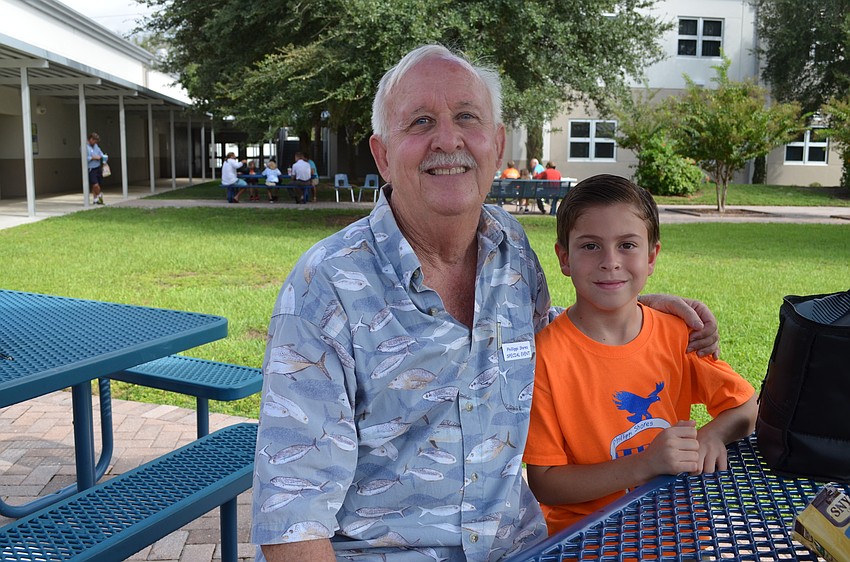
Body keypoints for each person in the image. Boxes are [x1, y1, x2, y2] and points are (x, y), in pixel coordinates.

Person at [251, 45, 719, 562]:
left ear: (496, 145)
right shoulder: (328, 285)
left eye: (466, 117)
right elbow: (292, 520)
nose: (447, 139)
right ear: (383, 154)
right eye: (421, 121)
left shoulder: (510, 247)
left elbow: (543, 338)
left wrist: (631, 310)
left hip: (524, 548)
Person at [523, 174, 758, 536]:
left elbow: (746, 407)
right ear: (564, 257)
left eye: (627, 245)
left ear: (652, 257)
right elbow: (546, 483)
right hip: (587, 540)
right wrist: (644, 464)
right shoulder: (546, 358)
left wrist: (710, 436)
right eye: (590, 246)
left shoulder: (678, 333)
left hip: (677, 532)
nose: (610, 261)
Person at [86, 132, 106, 205]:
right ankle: (100, 195)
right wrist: (95, 157)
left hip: (98, 167)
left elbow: (100, 153)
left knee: (98, 184)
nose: (95, 143)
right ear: (91, 139)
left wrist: (103, 158)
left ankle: (95, 199)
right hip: (91, 168)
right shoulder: (85, 147)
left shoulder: (96, 146)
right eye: (94, 141)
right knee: (95, 184)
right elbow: (86, 158)